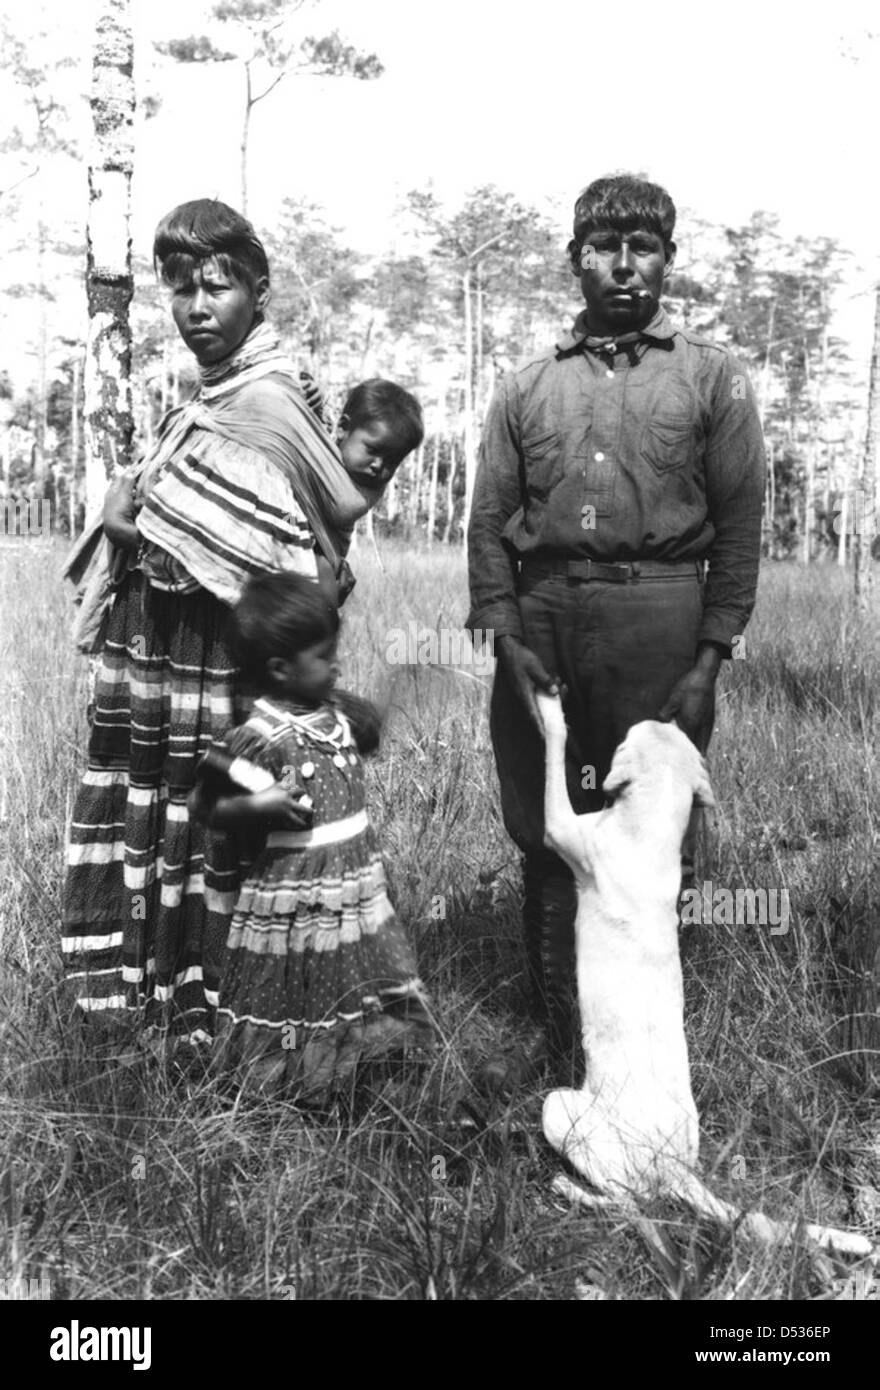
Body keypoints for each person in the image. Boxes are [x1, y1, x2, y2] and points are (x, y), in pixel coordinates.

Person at [467, 174, 765, 1080]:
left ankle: (648, 1045)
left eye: (645, 247)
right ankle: (561, 1033)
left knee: (651, 829)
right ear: (575, 260)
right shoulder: (526, 389)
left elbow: (743, 526)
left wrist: (708, 658)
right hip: (546, 621)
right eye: (605, 248)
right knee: (550, 826)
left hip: (661, 615)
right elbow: (489, 524)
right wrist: (507, 637)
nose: (624, 266)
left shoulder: (711, 378)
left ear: (669, 261)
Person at [63, 199, 370, 1042]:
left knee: (220, 823)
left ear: (259, 291)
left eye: (217, 287)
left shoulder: (266, 406)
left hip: (217, 661)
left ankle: (227, 1017)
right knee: (177, 818)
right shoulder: (210, 399)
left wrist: (132, 528)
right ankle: (162, 1002)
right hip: (167, 653)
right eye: (180, 289)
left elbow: (273, 552)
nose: (197, 308)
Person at [188, 570, 435, 1098]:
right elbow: (202, 804)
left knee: (358, 973)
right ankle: (302, 1084)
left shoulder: (335, 715)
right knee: (303, 987)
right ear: (280, 668)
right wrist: (260, 803)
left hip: (355, 883)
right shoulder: (259, 737)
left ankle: (366, 1071)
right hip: (298, 891)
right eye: (324, 657)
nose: (336, 664)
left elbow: (371, 727)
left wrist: (409, 676)